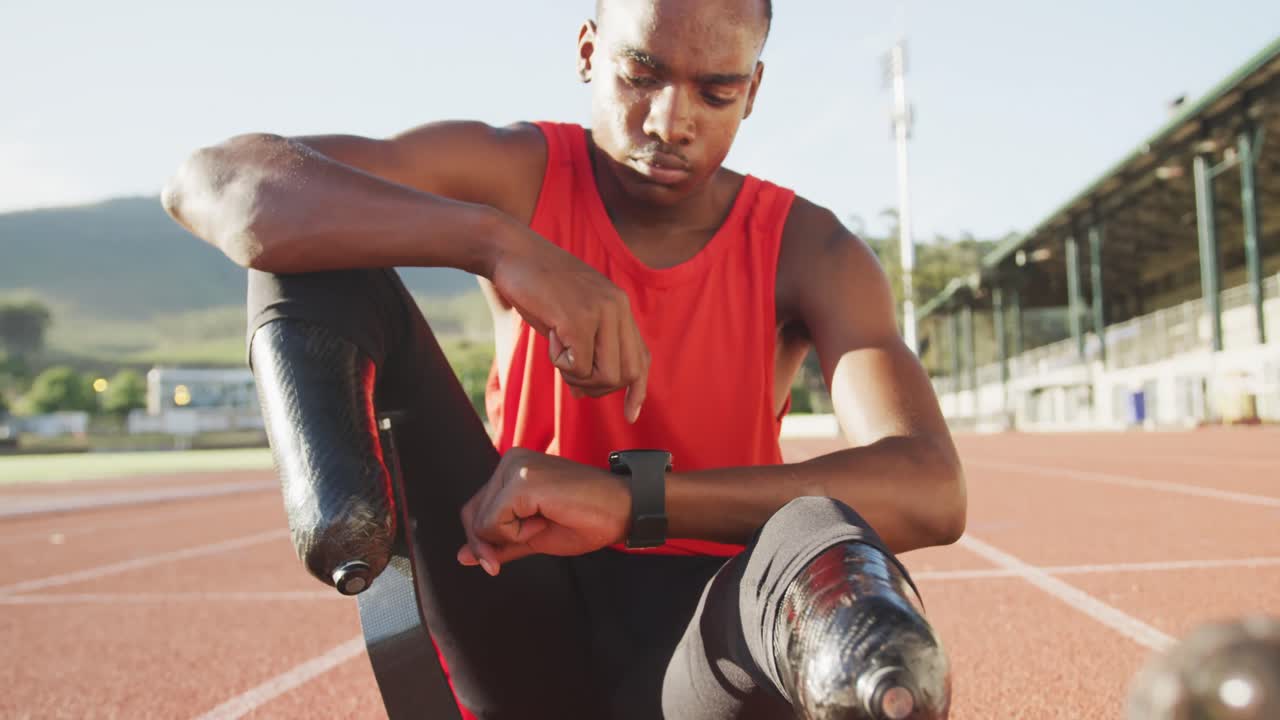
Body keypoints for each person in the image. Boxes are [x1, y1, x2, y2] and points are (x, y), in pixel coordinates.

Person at [161, 0, 966, 717]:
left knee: (818, 534)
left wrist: (630, 502)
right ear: (587, 51)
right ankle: (344, 527)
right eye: (639, 74)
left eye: (715, 91)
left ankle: (876, 682)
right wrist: (498, 244)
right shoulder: (515, 176)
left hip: (707, 642)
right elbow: (216, 181)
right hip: (509, 598)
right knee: (308, 239)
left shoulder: (809, 249)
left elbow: (931, 489)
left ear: (752, 92)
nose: (669, 121)